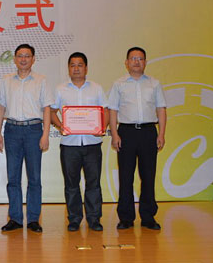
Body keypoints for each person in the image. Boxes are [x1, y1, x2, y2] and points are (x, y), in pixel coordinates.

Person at [0, 44, 53, 233]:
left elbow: (47, 109)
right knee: (13, 177)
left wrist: (45, 134)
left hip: (34, 130)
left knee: (34, 178)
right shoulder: (6, 81)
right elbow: (1, 108)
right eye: (20, 56)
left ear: (33, 59)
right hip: (12, 130)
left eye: (27, 56)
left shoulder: (41, 80)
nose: (23, 59)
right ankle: (15, 218)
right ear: (14, 59)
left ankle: (34, 219)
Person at [108, 47, 167, 231]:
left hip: (149, 132)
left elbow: (161, 109)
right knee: (126, 176)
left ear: (145, 62)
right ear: (126, 63)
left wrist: (161, 133)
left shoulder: (154, 84)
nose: (136, 62)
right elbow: (112, 110)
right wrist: (114, 134)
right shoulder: (118, 84)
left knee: (148, 176)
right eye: (133, 58)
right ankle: (126, 217)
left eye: (140, 59)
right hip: (126, 132)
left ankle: (148, 217)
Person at [50, 52, 108, 232]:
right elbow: (51, 112)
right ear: (68, 68)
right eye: (73, 65)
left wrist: (102, 127)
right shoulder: (60, 89)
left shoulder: (96, 88)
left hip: (92, 143)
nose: (76, 68)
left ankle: (94, 219)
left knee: (93, 183)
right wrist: (61, 126)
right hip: (69, 144)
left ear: (86, 68)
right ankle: (74, 219)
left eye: (80, 65)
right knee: (71, 184)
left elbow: (106, 111)